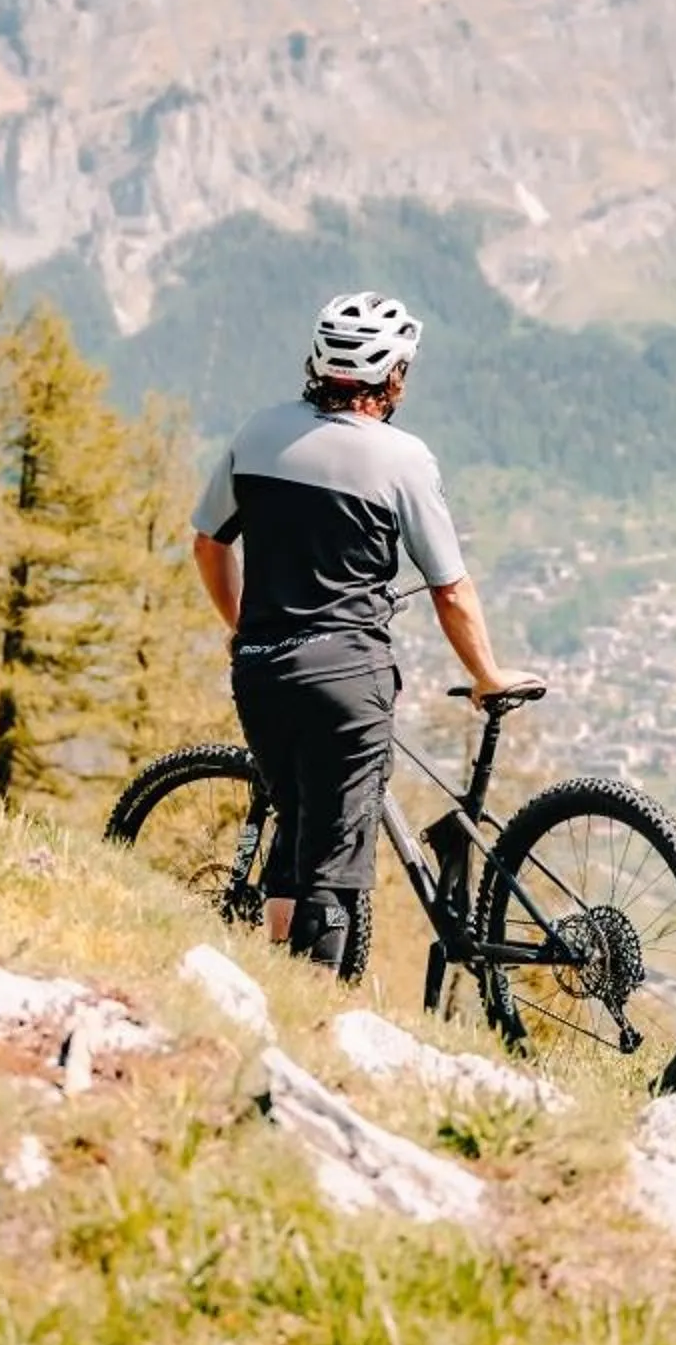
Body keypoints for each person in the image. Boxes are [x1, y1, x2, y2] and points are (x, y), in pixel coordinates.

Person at [190, 292, 538, 973]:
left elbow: (209, 544)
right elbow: (449, 588)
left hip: (260, 672)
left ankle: (279, 990)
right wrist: (488, 676)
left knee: (295, 841)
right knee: (335, 871)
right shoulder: (402, 459)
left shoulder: (257, 434)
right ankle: (320, 1018)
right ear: (394, 375)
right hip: (347, 679)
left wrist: (244, 629)